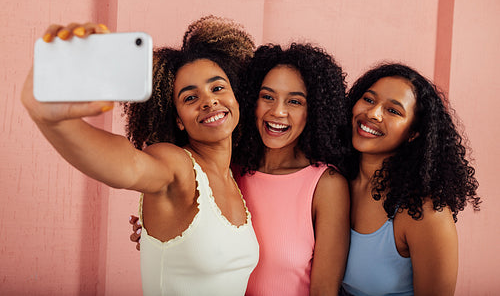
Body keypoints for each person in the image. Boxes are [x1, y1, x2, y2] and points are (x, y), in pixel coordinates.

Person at [22, 16, 259, 296]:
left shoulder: (235, 178)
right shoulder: (177, 165)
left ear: (236, 97)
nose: (209, 101)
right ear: (179, 120)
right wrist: (50, 118)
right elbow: (130, 165)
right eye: (190, 98)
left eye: (217, 87)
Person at [132, 43, 351, 295]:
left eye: (295, 101)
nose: (278, 111)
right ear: (248, 100)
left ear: (314, 111)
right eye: (267, 97)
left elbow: (324, 290)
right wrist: (160, 236)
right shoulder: (226, 171)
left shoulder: (325, 184)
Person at [340, 63, 481, 296]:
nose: (373, 113)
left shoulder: (425, 213)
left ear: (413, 133)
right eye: (368, 99)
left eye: (393, 111)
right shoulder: (334, 181)